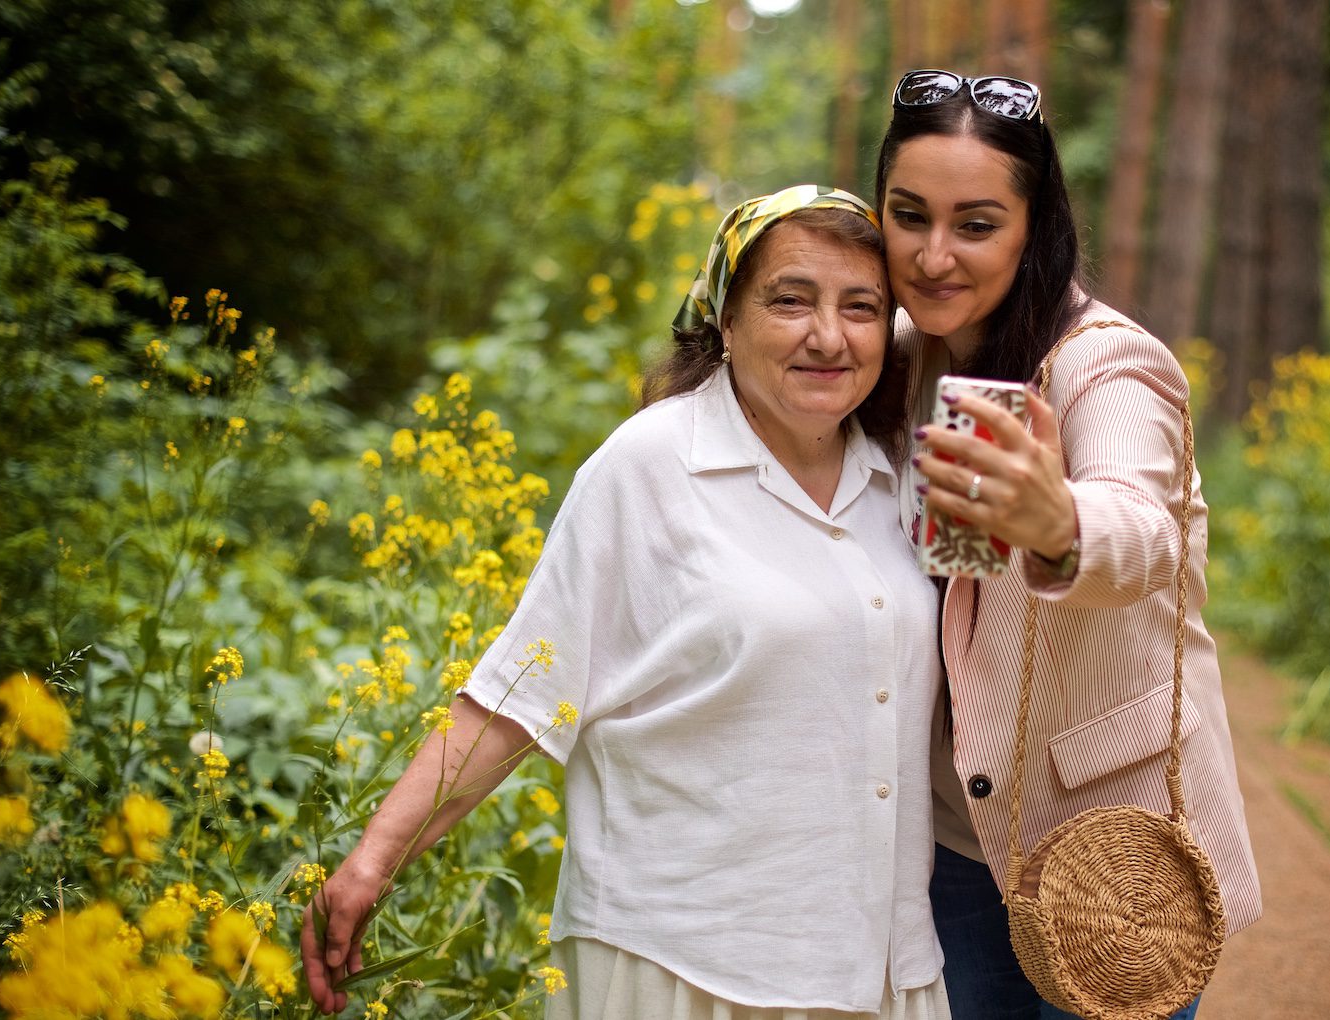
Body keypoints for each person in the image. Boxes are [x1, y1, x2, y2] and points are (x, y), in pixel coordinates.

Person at [301, 185, 953, 1019]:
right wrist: (371, 865)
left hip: (883, 968)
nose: (828, 335)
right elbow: (518, 697)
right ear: (727, 317)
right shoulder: (650, 466)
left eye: (860, 307)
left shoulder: (901, 474)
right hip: (682, 962)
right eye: (790, 300)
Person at [872, 70, 1262, 1020]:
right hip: (956, 847)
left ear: (1033, 227)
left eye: (976, 224)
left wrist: (1058, 526)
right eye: (908, 214)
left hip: (1114, 853)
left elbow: (1140, 527)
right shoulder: (887, 353)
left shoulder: (1105, 362)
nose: (932, 257)